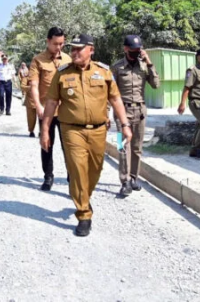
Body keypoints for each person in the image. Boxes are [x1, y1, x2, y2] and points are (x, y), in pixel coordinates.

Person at [41, 34, 133, 237]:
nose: (73, 52)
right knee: (77, 170)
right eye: (72, 49)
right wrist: (45, 130)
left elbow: (116, 99)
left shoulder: (104, 72)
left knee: (94, 169)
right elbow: (51, 103)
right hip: (71, 130)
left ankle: (83, 195)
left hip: (99, 129)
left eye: (78, 49)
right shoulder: (63, 73)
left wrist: (125, 125)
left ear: (90, 49)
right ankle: (83, 213)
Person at [111, 35, 160, 197]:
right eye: (133, 50)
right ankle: (124, 181)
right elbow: (109, 92)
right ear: (125, 49)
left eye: (138, 50)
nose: (136, 53)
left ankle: (133, 178)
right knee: (122, 147)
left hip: (140, 112)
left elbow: (156, 84)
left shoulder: (144, 66)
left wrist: (150, 63)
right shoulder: (117, 67)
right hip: (121, 113)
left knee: (137, 148)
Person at [29, 27, 73, 191]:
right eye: (55, 43)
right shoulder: (38, 60)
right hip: (46, 110)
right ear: (48, 41)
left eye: (61, 44)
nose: (58, 47)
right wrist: (38, 106)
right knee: (46, 144)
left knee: (68, 145)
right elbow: (33, 85)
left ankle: (71, 178)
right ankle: (48, 176)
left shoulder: (68, 59)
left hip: (66, 111)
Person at [18, 62, 37, 137]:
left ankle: (42, 131)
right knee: (31, 117)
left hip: (41, 100)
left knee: (42, 118)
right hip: (30, 100)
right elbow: (22, 86)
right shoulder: (26, 77)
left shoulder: (41, 76)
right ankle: (31, 131)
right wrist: (30, 88)